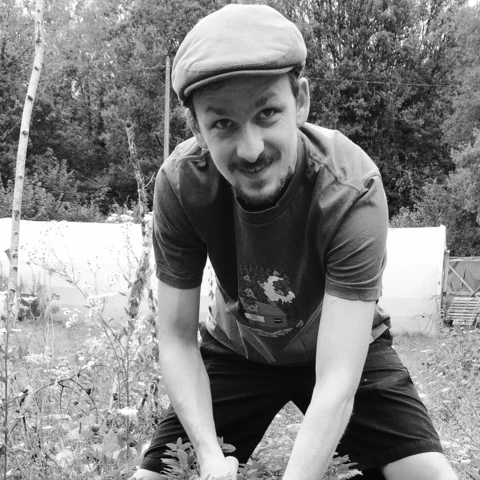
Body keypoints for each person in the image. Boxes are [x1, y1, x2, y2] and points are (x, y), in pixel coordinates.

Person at [134, 4, 457, 480]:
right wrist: (207, 455)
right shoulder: (182, 185)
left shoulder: (351, 188)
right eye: (222, 123)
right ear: (197, 127)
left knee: (431, 476)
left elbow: (337, 380)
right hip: (238, 350)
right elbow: (177, 338)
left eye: (267, 112)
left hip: (343, 349)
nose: (251, 149)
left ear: (300, 101)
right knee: (156, 476)